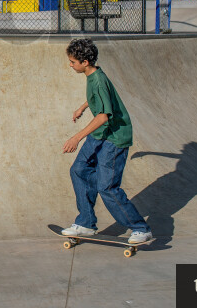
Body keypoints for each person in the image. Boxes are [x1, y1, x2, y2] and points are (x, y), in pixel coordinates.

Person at [61, 38, 152, 245]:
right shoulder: (93, 75)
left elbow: (103, 116)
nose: (70, 64)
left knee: (107, 186)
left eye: (73, 61)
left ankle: (140, 228)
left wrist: (76, 137)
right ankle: (85, 222)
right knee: (79, 170)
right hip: (101, 134)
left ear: (85, 62)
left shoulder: (98, 79)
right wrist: (83, 107)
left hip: (114, 137)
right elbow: (99, 97)